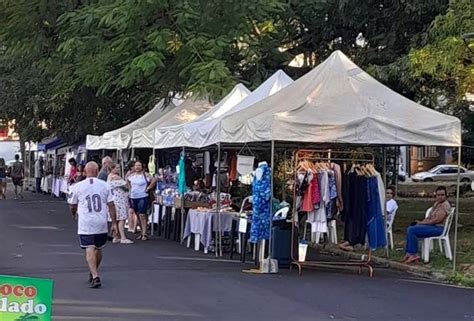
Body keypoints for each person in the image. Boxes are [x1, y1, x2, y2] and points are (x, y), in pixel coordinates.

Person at [69, 161, 118, 288]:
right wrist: (114, 223)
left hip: (86, 222)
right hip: (100, 221)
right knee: (99, 247)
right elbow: (111, 205)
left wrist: (73, 213)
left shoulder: (78, 186)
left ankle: (95, 275)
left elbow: (72, 204)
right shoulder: (105, 185)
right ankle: (94, 271)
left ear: (85, 171)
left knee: (89, 247)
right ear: (97, 171)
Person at [402, 186, 451, 264]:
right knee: (411, 228)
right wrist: (420, 222)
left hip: (439, 228)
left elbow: (436, 220)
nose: (440, 197)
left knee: (412, 230)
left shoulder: (444, 206)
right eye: (438, 195)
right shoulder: (437, 204)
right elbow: (430, 217)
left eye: (442, 195)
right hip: (432, 226)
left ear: (446, 195)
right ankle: (409, 253)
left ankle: (413, 254)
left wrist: (422, 223)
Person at [127, 161, 156, 241]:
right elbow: (127, 182)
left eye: (139, 165)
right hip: (133, 197)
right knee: (137, 214)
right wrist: (129, 190)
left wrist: (148, 188)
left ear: (142, 166)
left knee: (142, 214)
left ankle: (144, 233)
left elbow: (154, 180)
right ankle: (141, 231)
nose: (137, 167)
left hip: (143, 196)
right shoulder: (131, 175)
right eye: (136, 165)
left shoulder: (145, 175)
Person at [107, 162, 133, 244]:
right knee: (122, 218)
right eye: (117, 168)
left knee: (116, 219)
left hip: (114, 198)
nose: (119, 169)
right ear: (112, 169)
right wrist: (127, 179)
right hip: (120, 199)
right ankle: (123, 237)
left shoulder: (109, 177)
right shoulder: (116, 177)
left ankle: (116, 236)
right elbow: (127, 186)